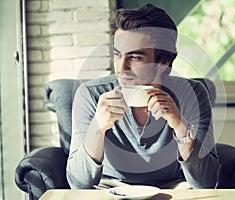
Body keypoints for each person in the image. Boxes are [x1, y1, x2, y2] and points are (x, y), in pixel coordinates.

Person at [66, 3, 219, 189]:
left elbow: (206, 182)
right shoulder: (91, 95)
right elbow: (78, 184)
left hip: (173, 189)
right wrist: (97, 127)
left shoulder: (192, 94)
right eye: (117, 55)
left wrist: (180, 125)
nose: (121, 68)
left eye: (135, 57)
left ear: (163, 62)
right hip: (110, 190)